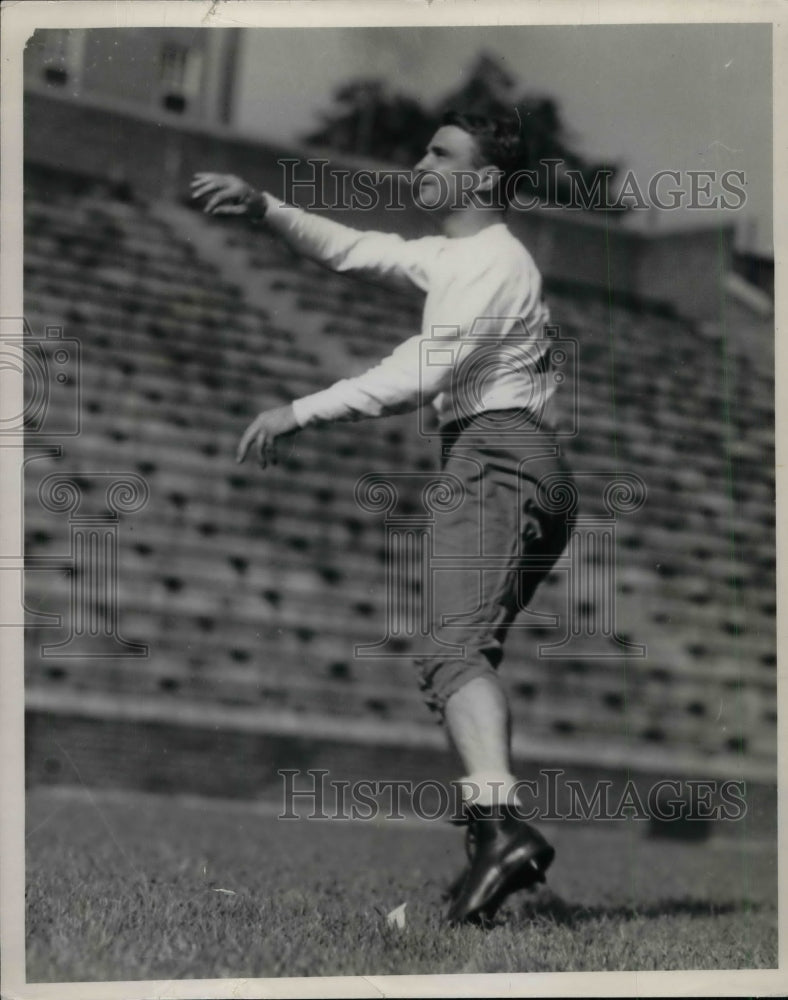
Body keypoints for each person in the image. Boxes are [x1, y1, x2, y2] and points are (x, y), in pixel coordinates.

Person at [190, 111, 574, 925]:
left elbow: (419, 373)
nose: (421, 161)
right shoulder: (460, 256)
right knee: (459, 657)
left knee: (451, 653)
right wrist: (265, 206)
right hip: (515, 459)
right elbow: (355, 248)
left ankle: (500, 830)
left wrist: (301, 409)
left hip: (498, 456)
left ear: (481, 179)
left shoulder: (491, 264)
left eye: (442, 153)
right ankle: (490, 846)